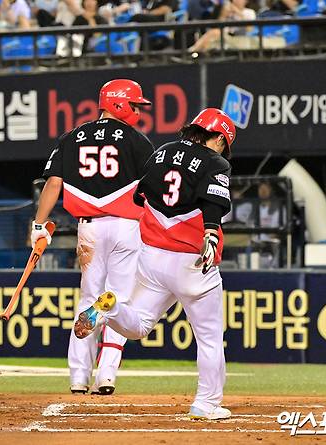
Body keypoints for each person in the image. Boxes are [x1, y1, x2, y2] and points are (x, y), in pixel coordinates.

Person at [74, 108, 235, 420]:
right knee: (210, 338)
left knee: (138, 326)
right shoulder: (216, 163)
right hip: (191, 261)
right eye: (223, 143)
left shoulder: (162, 152)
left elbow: (139, 197)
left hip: (152, 257)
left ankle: (111, 309)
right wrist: (211, 234)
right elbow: (214, 205)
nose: (222, 149)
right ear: (217, 137)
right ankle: (206, 404)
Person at [34, 79, 155, 395]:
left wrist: (38, 225)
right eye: (135, 104)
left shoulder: (71, 137)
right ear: (119, 103)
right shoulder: (137, 140)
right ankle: (107, 375)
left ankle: (78, 377)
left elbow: (53, 183)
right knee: (118, 300)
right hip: (127, 228)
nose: (139, 110)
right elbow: (154, 190)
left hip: (89, 228)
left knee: (89, 299)